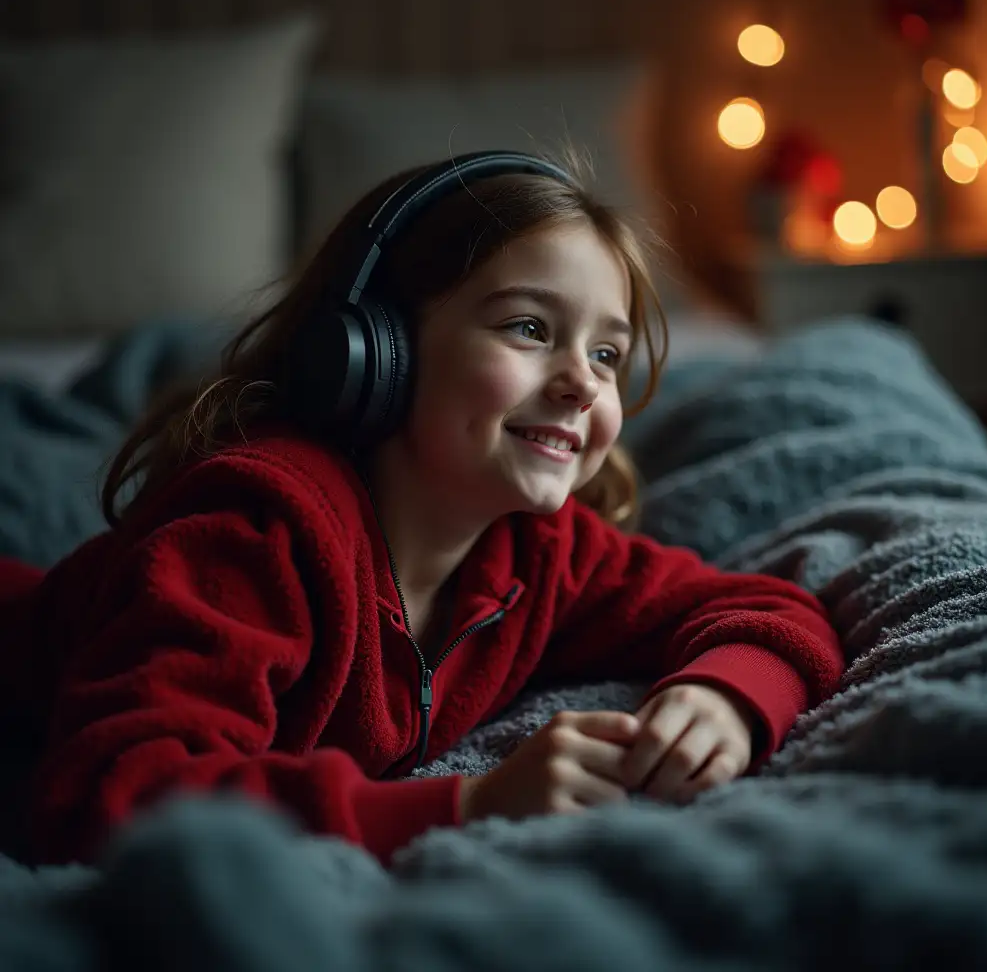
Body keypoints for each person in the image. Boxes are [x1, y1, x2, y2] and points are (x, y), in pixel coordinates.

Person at [5, 151, 844, 867]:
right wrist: (466, 806)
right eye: (527, 328)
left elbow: (769, 610)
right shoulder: (255, 539)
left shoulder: (543, 553)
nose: (583, 382)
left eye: (606, 353)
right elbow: (112, 797)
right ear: (377, 351)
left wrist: (723, 696)